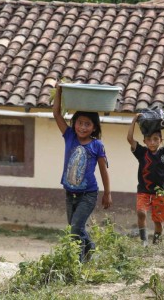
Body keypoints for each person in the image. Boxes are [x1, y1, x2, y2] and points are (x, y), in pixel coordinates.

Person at [53, 85, 112, 261]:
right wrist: (59, 92)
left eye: (87, 124)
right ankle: (90, 248)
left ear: (94, 128)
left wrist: (107, 193)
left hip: (88, 194)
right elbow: (56, 114)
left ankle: (77, 263)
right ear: (74, 123)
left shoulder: (97, 145)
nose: (82, 127)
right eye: (80, 123)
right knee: (76, 227)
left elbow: (103, 169)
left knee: (74, 230)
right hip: (70, 193)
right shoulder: (69, 136)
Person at [127, 114, 164, 246]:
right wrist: (134, 120)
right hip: (143, 190)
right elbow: (129, 138)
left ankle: (156, 243)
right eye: (149, 139)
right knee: (141, 212)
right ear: (144, 141)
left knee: (157, 221)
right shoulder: (142, 153)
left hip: (159, 193)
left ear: (160, 140)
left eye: (155, 139)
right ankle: (144, 241)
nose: (152, 142)